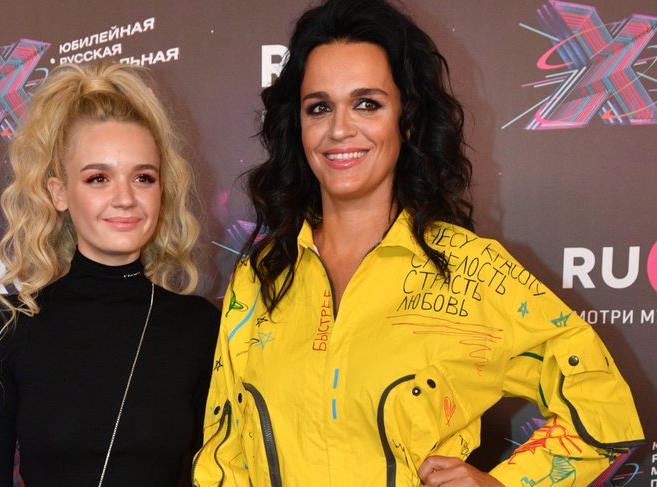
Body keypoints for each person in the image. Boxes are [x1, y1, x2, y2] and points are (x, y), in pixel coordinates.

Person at [192, 0, 643, 485]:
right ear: (297, 126)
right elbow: (224, 457)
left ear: (406, 120)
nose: (339, 129)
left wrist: (505, 483)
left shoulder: (471, 270)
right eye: (319, 107)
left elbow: (603, 408)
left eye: (367, 103)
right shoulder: (260, 278)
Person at [0, 61, 219, 486]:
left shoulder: (199, 326)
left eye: (143, 177)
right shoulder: (9, 327)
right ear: (59, 192)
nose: (125, 198)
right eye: (99, 178)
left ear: (161, 190)